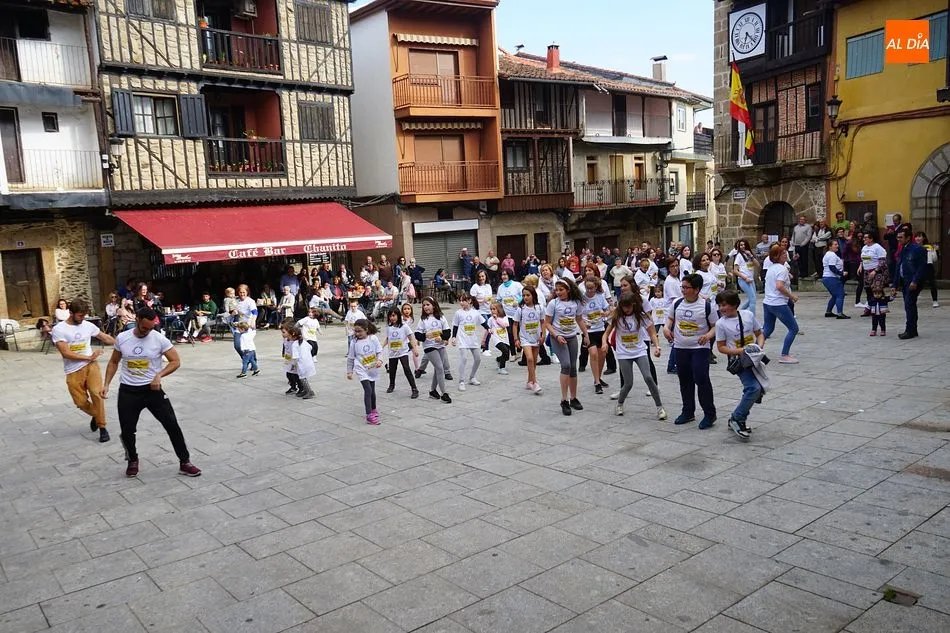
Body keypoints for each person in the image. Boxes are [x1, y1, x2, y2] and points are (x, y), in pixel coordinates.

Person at [101, 307, 201, 478]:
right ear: (137, 319)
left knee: (172, 425)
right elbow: (113, 362)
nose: (147, 331)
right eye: (144, 328)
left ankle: (185, 462)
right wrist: (106, 384)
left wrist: (159, 375)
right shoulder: (123, 338)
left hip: (152, 390)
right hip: (129, 391)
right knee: (127, 430)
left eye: (150, 328)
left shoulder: (159, 339)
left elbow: (175, 361)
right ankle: (133, 459)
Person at [52, 299, 115, 443]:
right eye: (80, 316)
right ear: (71, 313)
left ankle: (102, 427)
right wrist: (88, 357)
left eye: (84, 315)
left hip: (91, 366)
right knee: (80, 402)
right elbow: (65, 353)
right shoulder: (59, 329)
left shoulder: (87, 325)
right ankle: (96, 414)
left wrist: (121, 343)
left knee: (96, 394)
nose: (82, 318)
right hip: (73, 370)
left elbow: (103, 337)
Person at [664, 273, 717, 429]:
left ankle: (709, 413)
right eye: (682, 287)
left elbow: (715, 325)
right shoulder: (677, 303)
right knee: (684, 379)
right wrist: (666, 328)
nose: (683, 290)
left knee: (701, 378)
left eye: (686, 288)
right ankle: (688, 411)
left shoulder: (707, 306)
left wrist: (708, 335)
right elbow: (670, 319)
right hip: (680, 347)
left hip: (700, 348)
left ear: (696, 289)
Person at [603, 292, 665, 419]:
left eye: (629, 307)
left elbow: (653, 333)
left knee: (648, 377)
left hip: (639, 351)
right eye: (624, 307)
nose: (627, 309)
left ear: (633, 305)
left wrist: (657, 346)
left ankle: (660, 407)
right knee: (628, 383)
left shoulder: (641, 316)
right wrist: (604, 343)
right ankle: (620, 404)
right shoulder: (616, 317)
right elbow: (606, 333)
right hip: (623, 353)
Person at [714, 290, 767, 440]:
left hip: (755, 358)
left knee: (759, 388)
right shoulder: (720, 324)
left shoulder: (748, 315)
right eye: (719, 305)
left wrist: (759, 347)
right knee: (753, 388)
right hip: (739, 361)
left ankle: (738, 417)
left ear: (735, 304)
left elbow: (760, 333)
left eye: (724, 305)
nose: (721, 308)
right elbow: (721, 347)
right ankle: (737, 418)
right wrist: (741, 351)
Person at [544, 278, 590, 416]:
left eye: (561, 290)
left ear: (568, 290)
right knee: (566, 365)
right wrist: (556, 336)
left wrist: (586, 335)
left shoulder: (576, 303)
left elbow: (579, 319)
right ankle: (564, 400)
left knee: (573, 368)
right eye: (556, 290)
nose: (558, 292)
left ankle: (573, 397)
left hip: (572, 337)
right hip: (558, 338)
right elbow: (547, 323)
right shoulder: (553, 303)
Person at [762, 245, 800, 363]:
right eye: (783, 253)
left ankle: (753, 349)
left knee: (768, 329)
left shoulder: (771, 268)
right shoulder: (782, 269)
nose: (785, 255)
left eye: (785, 253)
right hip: (778, 303)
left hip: (767, 302)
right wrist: (791, 296)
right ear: (776, 256)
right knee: (793, 328)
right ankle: (784, 354)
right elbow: (779, 286)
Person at [347, 318, 384, 424]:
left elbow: (379, 351)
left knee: (372, 390)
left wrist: (380, 360)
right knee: (367, 390)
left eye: (360, 331)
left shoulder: (373, 339)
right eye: (356, 331)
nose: (357, 333)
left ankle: (373, 409)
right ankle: (369, 415)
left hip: (372, 368)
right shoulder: (354, 342)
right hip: (361, 368)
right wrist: (349, 371)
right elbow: (350, 358)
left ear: (366, 330)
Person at [416, 297, 452, 403]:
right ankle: (444, 393)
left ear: (434, 305)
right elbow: (417, 334)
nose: (426, 307)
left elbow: (447, 330)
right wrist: (425, 335)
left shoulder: (441, 317)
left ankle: (432, 391)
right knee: (440, 368)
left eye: (428, 304)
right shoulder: (423, 320)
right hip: (429, 347)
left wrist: (443, 338)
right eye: (424, 305)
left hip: (440, 345)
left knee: (438, 368)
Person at [893, 228, 927, 340]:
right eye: (898, 237)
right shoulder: (903, 248)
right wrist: (895, 284)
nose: (899, 239)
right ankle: (913, 330)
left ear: (908, 237)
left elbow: (922, 267)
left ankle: (909, 330)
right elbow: (899, 266)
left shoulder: (918, 249)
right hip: (905, 281)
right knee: (909, 305)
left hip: (912, 281)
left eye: (901, 237)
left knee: (909, 304)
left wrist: (915, 280)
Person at [580, 275, 610, 394]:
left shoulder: (600, 297)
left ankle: (598, 376)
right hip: (588, 331)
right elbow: (577, 315)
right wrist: (583, 324)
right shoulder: (582, 299)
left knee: (602, 353)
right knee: (593, 354)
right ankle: (597, 382)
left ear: (596, 287)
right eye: (587, 288)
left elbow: (608, 310)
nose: (589, 290)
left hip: (600, 328)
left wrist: (605, 313)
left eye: (591, 288)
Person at [513, 285, 544, 394]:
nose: (525, 297)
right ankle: (535, 383)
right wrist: (516, 339)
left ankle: (529, 381)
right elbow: (515, 324)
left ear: (533, 295)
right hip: (524, 338)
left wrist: (543, 335)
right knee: (529, 359)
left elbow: (543, 322)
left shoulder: (539, 308)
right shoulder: (520, 309)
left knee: (534, 361)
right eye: (523, 295)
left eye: (528, 295)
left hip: (536, 337)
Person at [450, 292, 483, 391]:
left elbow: (483, 322)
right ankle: (461, 381)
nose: (461, 302)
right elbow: (455, 326)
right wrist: (454, 337)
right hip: (463, 340)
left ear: (469, 301)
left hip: (473, 340)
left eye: (463, 300)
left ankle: (472, 377)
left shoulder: (476, 313)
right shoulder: (458, 313)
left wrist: (489, 329)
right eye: (460, 300)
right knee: (463, 358)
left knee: (478, 359)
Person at [384, 307, 419, 398]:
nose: (392, 318)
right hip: (392, 353)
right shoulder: (389, 327)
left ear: (398, 316)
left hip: (403, 351)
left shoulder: (404, 326)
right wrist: (381, 346)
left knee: (406, 369)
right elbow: (387, 339)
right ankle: (392, 385)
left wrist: (415, 349)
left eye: (394, 315)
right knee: (392, 370)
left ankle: (414, 388)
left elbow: (411, 338)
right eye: (390, 316)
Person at [858, 231, 889, 315]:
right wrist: (861, 265)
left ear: (871, 239)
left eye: (866, 238)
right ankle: (870, 307)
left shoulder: (877, 247)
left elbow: (882, 261)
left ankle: (880, 308)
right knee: (868, 290)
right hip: (866, 271)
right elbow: (863, 258)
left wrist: (875, 271)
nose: (864, 239)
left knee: (877, 290)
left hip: (876, 271)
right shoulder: (864, 247)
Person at [495, 269, 523, 355]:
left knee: (519, 332)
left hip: (518, 313)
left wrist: (518, 301)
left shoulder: (517, 285)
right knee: (510, 333)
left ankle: (519, 349)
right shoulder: (500, 287)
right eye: (502, 275)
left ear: (509, 275)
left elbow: (524, 295)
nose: (504, 276)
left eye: (506, 274)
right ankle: (513, 353)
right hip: (507, 315)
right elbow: (499, 300)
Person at [821, 239, 850, 319]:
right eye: (835, 244)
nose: (837, 246)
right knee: (840, 294)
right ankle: (840, 313)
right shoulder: (832, 255)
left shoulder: (828, 254)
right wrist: (841, 273)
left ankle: (828, 312)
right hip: (832, 278)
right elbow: (832, 267)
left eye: (837, 244)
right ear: (830, 246)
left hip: (827, 278)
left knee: (835, 295)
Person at [289, 323, 316, 399]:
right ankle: (306, 391)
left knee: (302, 378)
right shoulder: (304, 342)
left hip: (302, 364)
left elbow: (295, 357)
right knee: (303, 377)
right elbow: (310, 347)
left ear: (293, 335)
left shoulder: (295, 344)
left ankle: (309, 392)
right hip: (308, 362)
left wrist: (292, 365)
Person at [733, 239, 758, 315]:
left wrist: (751, 256)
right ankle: (752, 320)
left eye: (744, 245)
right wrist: (745, 278)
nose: (743, 246)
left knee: (752, 299)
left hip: (751, 280)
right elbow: (735, 271)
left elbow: (758, 265)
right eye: (741, 245)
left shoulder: (750, 255)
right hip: (743, 280)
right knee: (753, 299)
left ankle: (739, 312)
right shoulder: (739, 256)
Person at [914, 231, 939, 308]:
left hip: (928, 266)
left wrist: (936, 250)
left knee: (932, 284)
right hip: (918, 267)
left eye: (920, 236)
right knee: (918, 284)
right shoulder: (913, 247)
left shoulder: (928, 246)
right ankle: (913, 299)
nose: (918, 238)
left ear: (924, 238)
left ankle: (935, 301)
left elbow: (934, 259)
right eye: (916, 236)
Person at [487, 302, 511, 375]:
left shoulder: (504, 317)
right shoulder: (491, 319)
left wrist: (497, 319)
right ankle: (501, 368)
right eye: (491, 309)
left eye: (494, 309)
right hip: (496, 339)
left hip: (504, 338)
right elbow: (487, 328)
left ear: (499, 309)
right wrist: (489, 331)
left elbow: (505, 325)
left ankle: (499, 359)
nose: (492, 311)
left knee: (507, 356)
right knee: (505, 350)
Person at [280, 321, 300, 395]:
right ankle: (293, 387)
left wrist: (295, 361)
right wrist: (283, 353)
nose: (282, 334)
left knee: (295, 375)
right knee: (288, 374)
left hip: (294, 360)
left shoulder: (294, 341)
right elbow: (285, 346)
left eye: (284, 332)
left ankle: (301, 388)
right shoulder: (285, 339)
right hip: (288, 360)